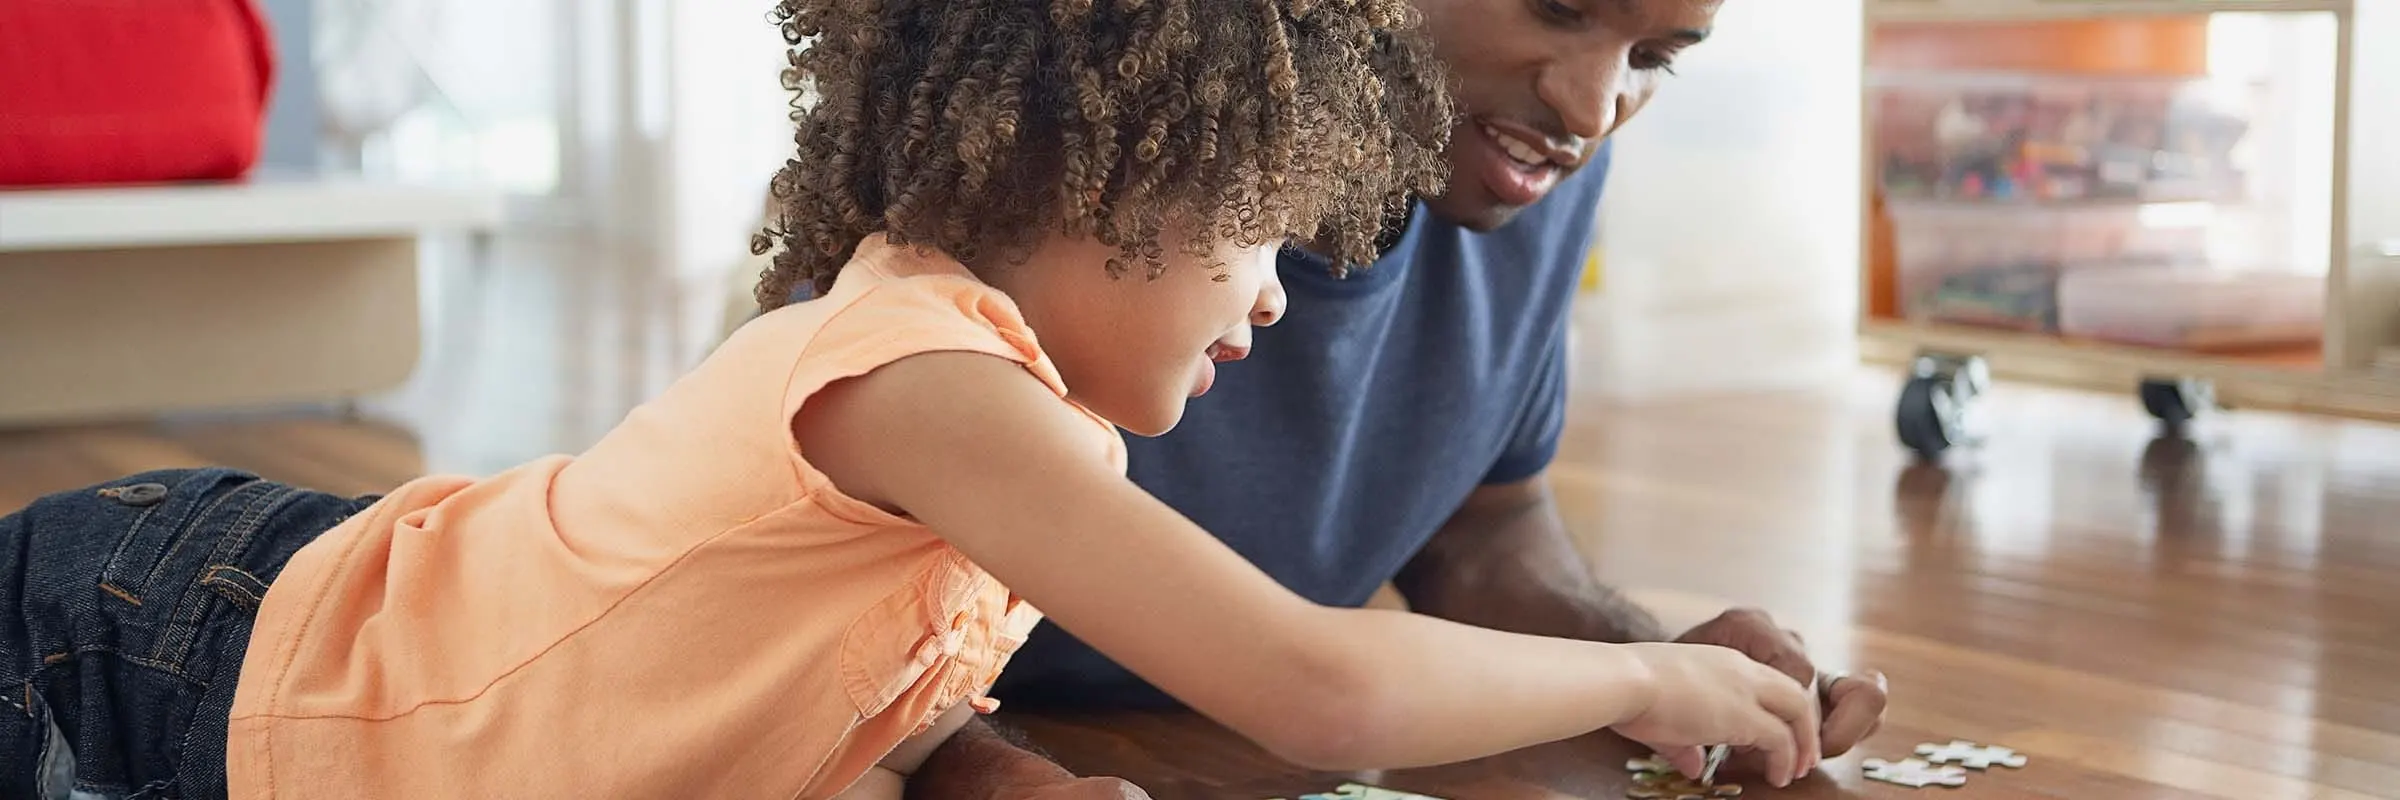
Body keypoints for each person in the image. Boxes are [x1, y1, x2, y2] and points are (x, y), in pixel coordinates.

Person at [0, 2, 1827, 799]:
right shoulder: (928, 381)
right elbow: (1315, 677)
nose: (1283, 289)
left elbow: (811, 691)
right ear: (1096, 175)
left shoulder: (1024, 400)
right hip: (161, 653)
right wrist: (1646, 675)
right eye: (1261, 230)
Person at [912, 0, 1894, 796]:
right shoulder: (1021, 190)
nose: (1595, 110)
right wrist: (982, 774)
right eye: (1557, 10)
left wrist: (1671, 664)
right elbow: (1316, 687)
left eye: (1655, 55)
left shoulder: (1526, 167)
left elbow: (1476, 532)